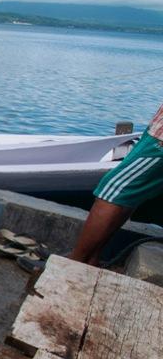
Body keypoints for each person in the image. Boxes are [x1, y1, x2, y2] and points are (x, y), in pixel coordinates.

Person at [70, 103, 163, 266]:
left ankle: (74, 263)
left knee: (114, 188)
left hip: (160, 140)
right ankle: (90, 259)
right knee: (127, 193)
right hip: (157, 130)